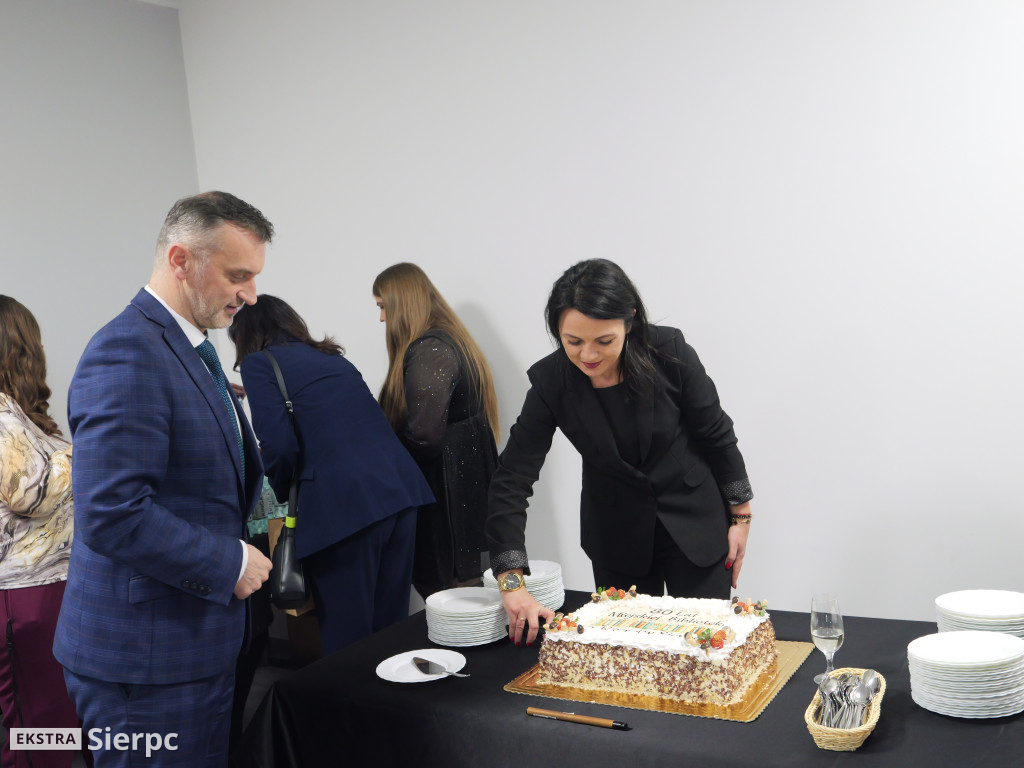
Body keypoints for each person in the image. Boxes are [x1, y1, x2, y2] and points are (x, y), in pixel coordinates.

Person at [53, 192, 275, 767]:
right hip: (144, 665)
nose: (250, 295)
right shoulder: (127, 351)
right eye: (238, 275)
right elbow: (112, 512)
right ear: (181, 260)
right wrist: (227, 561)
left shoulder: (186, 348)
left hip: (191, 646)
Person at [486, 259, 754, 646]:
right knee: (628, 657)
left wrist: (741, 514)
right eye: (573, 341)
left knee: (701, 655)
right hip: (616, 534)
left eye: (604, 341)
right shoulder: (551, 382)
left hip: (694, 524)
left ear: (629, 321)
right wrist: (510, 580)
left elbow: (716, 432)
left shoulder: (668, 351)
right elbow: (512, 477)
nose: (588, 356)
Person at [228, 294, 434, 653]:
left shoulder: (259, 364)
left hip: (343, 507)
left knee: (348, 641)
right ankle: (393, 709)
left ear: (245, 334)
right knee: (390, 631)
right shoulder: (331, 358)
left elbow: (280, 446)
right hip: (400, 492)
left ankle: (352, 710)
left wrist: (281, 489)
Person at [372, 263, 500, 599]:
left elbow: (425, 436)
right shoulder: (452, 340)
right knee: (475, 597)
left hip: (449, 498)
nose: (382, 319)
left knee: (452, 601)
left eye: (382, 306)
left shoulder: (430, 348)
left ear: (403, 301)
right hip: (466, 493)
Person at [0, 297, 84, 768]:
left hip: (46, 590)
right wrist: (95, 446)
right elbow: (30, 495)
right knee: (40, 729)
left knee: (53, 722)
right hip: (25, 597)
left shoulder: (16, 415)